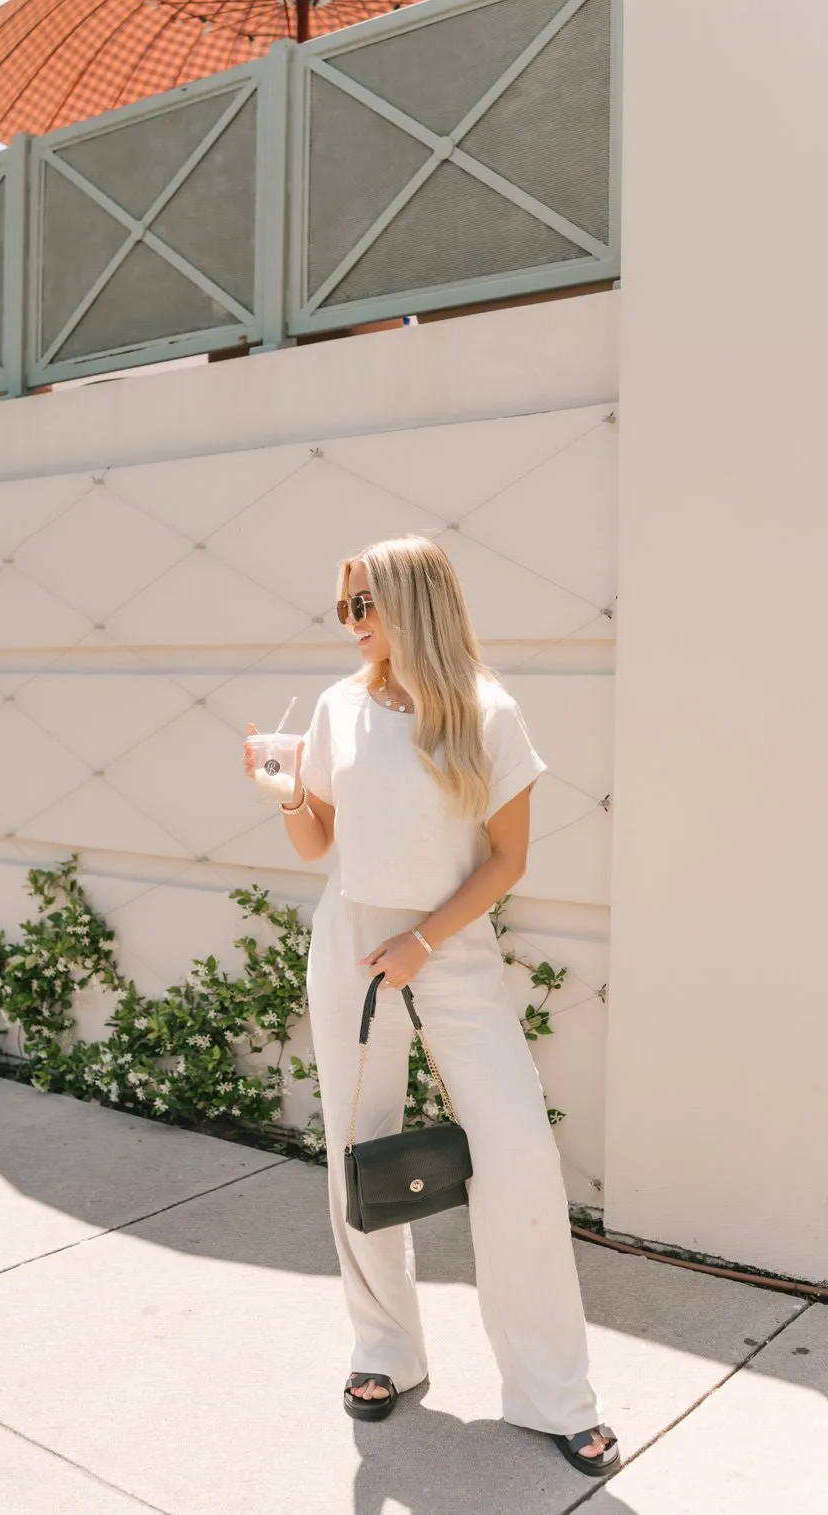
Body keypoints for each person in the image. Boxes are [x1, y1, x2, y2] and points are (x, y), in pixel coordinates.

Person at [242, 535, 619, 1478]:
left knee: (519, 1156)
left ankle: (553, 1392)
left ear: (414, 603)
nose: (353, 623)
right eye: (345, 608)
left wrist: (423, 942)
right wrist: (286, 792)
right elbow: (316, 842)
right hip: (354, 946)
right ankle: (386, 1351)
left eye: (365, 604)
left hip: (447, 951)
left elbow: (507, 860)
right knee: (356, 1142)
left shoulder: (487, 713)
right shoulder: (337, 706)